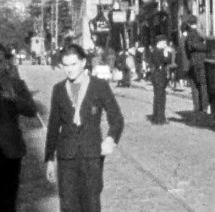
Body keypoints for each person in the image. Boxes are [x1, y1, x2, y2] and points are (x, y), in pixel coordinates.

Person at [44, 44, 124, 212]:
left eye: (73, 64)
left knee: (91, 204)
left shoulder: (99, 86)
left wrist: (110, 139)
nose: (69, 70)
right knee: (68, 205)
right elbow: (53, 125)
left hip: (91, 155)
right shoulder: (58, 90)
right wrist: (50, 158)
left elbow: (117, 119)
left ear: (83, 63)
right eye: (66, 65)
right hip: (66, 156)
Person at [0, 44, 37, 212]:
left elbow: (31, 110)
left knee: (9, 198)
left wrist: (14, 99)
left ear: (4, 62)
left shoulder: (15, 84)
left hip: (10, 150)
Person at [182, 16, 210, 113]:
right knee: (203, 84)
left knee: (195, 85)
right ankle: (205, 106)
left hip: (194, 61)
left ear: (189, 24)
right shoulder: (200, 34)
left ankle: (197, 107)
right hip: (203, 61)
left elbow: (189, 49)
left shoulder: (189, 35)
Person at [150, 35, 172, 125]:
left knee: (162, 96)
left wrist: (167, 54)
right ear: (160, 43)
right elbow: (159, 62)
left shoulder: (162, 51)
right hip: (157, 74)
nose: (166, 44)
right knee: (159, 96)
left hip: (162, 74)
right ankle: (159, 118)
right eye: (164, 42)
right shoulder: (155, 51)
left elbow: (169, 61)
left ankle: (160, 116)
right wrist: (165, 54)